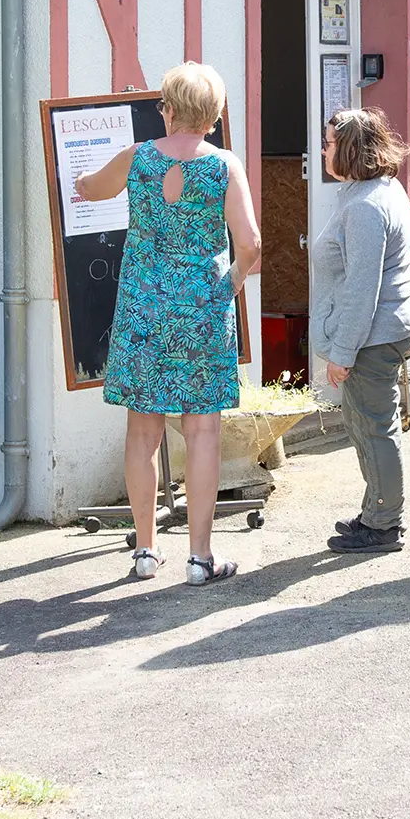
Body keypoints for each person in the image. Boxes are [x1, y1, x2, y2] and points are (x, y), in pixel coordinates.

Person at [76, 62, 261, 586]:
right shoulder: (225, 165)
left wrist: (83, 179)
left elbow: (91, 188)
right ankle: (200, 559)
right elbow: (249, 244)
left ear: (171, 108)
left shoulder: (136, 160)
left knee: (143, 432)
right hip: (203, 311)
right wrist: (232, 283)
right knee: (202, 432)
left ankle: (145, 552)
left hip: (142, 315)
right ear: (214, 113)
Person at [310, 108, 410, 555]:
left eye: (330, 142)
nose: (323, 149)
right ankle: (377, 512)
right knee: (366, 425)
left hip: (373, 337)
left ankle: (383, 525)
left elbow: (362, 288)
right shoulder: (376, 191)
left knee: (374, 428)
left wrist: (342, 351)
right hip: (378, 332)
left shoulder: (365, 206)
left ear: (352, 149)